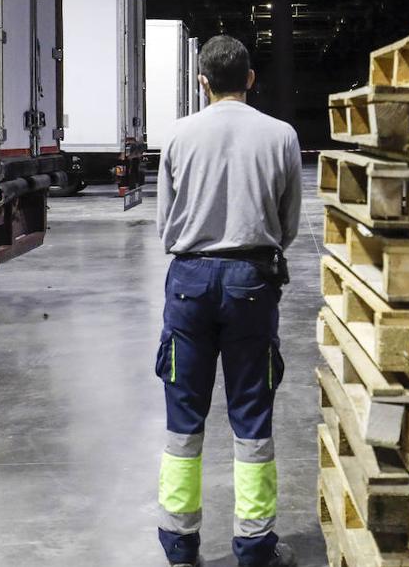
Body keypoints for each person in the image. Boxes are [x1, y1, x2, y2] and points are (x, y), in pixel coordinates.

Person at [154, 35, 302, 567]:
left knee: (183, 418)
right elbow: (289, 224)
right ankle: (256, 545)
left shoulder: (178, 136)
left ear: (201, 81)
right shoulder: (280, 135)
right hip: (252, 281)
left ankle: (178, 543)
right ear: (250, 79)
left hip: (189, 280)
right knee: (251, 415)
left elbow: (165, 224)